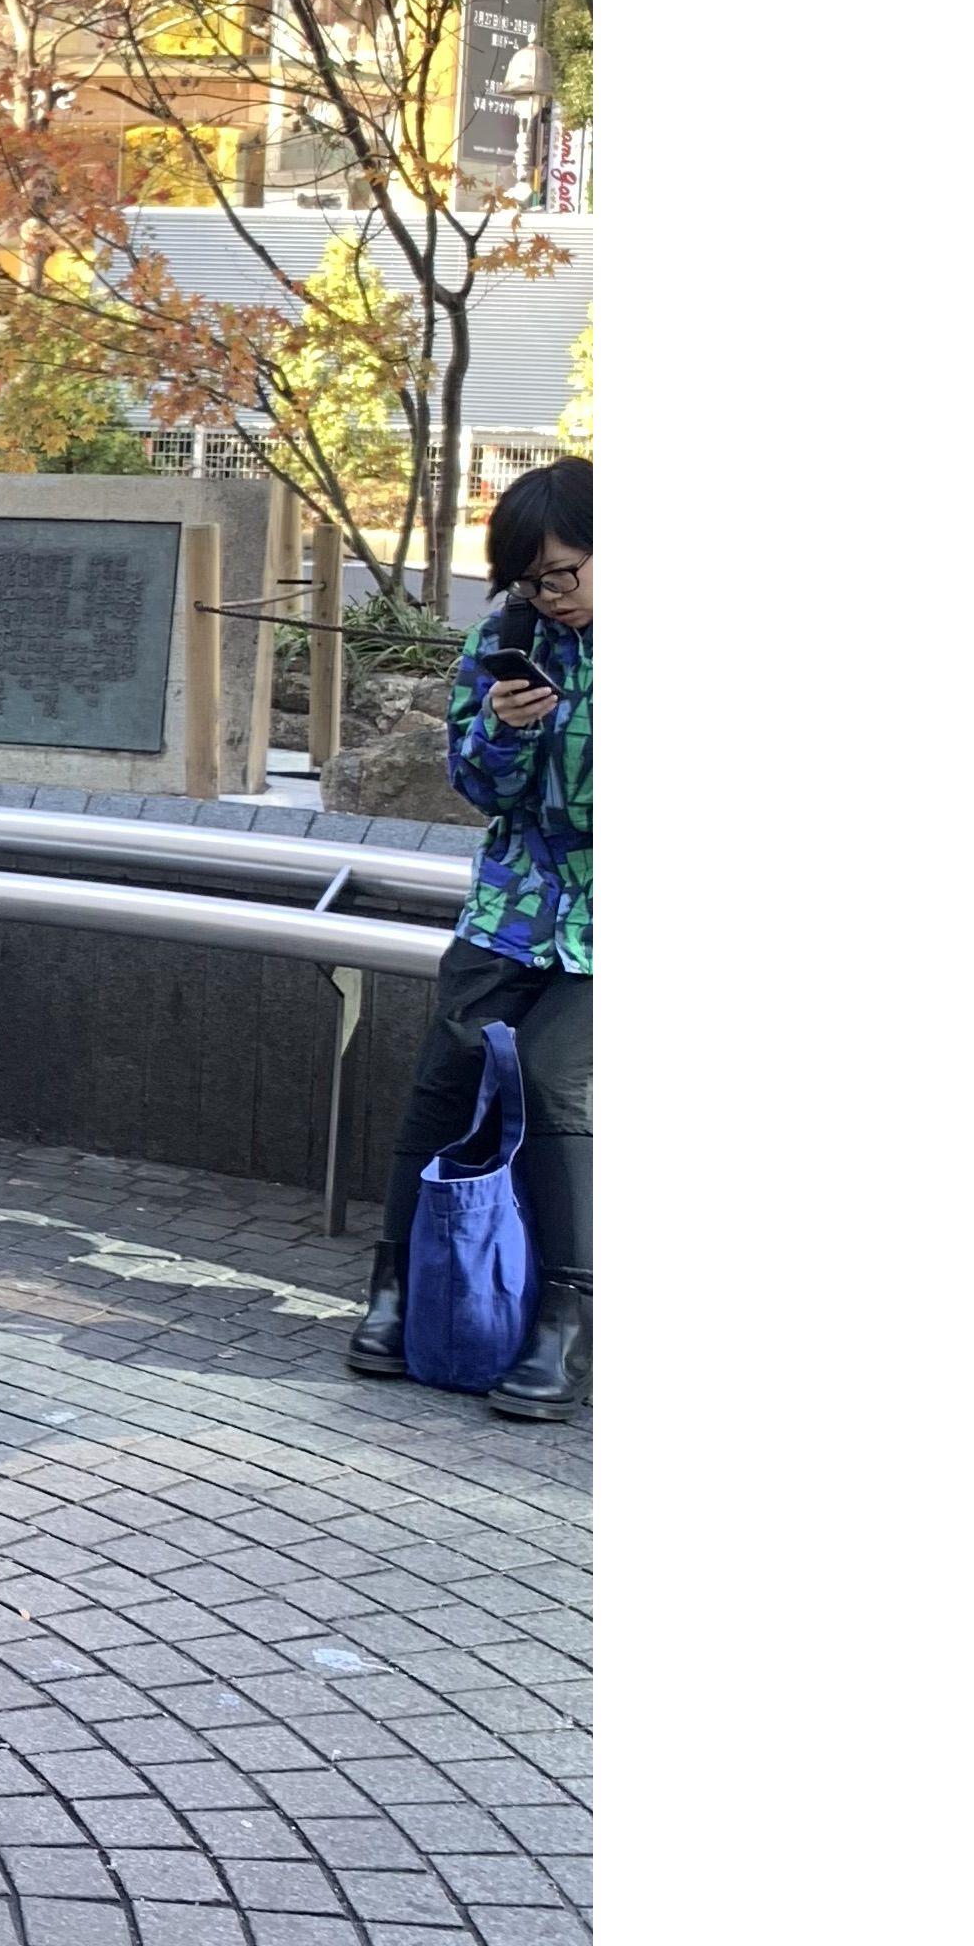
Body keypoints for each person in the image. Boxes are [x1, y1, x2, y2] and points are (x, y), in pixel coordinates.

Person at [347, 457, 592, 1422]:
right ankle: (395, 1287)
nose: (547, 597)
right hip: (517, 900)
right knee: (445, 1072)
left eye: (563, 574)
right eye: (530, 581)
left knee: (550, 1072)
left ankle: (562, 1319)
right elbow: (480, 788)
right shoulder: (508, 637)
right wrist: (506, 729)